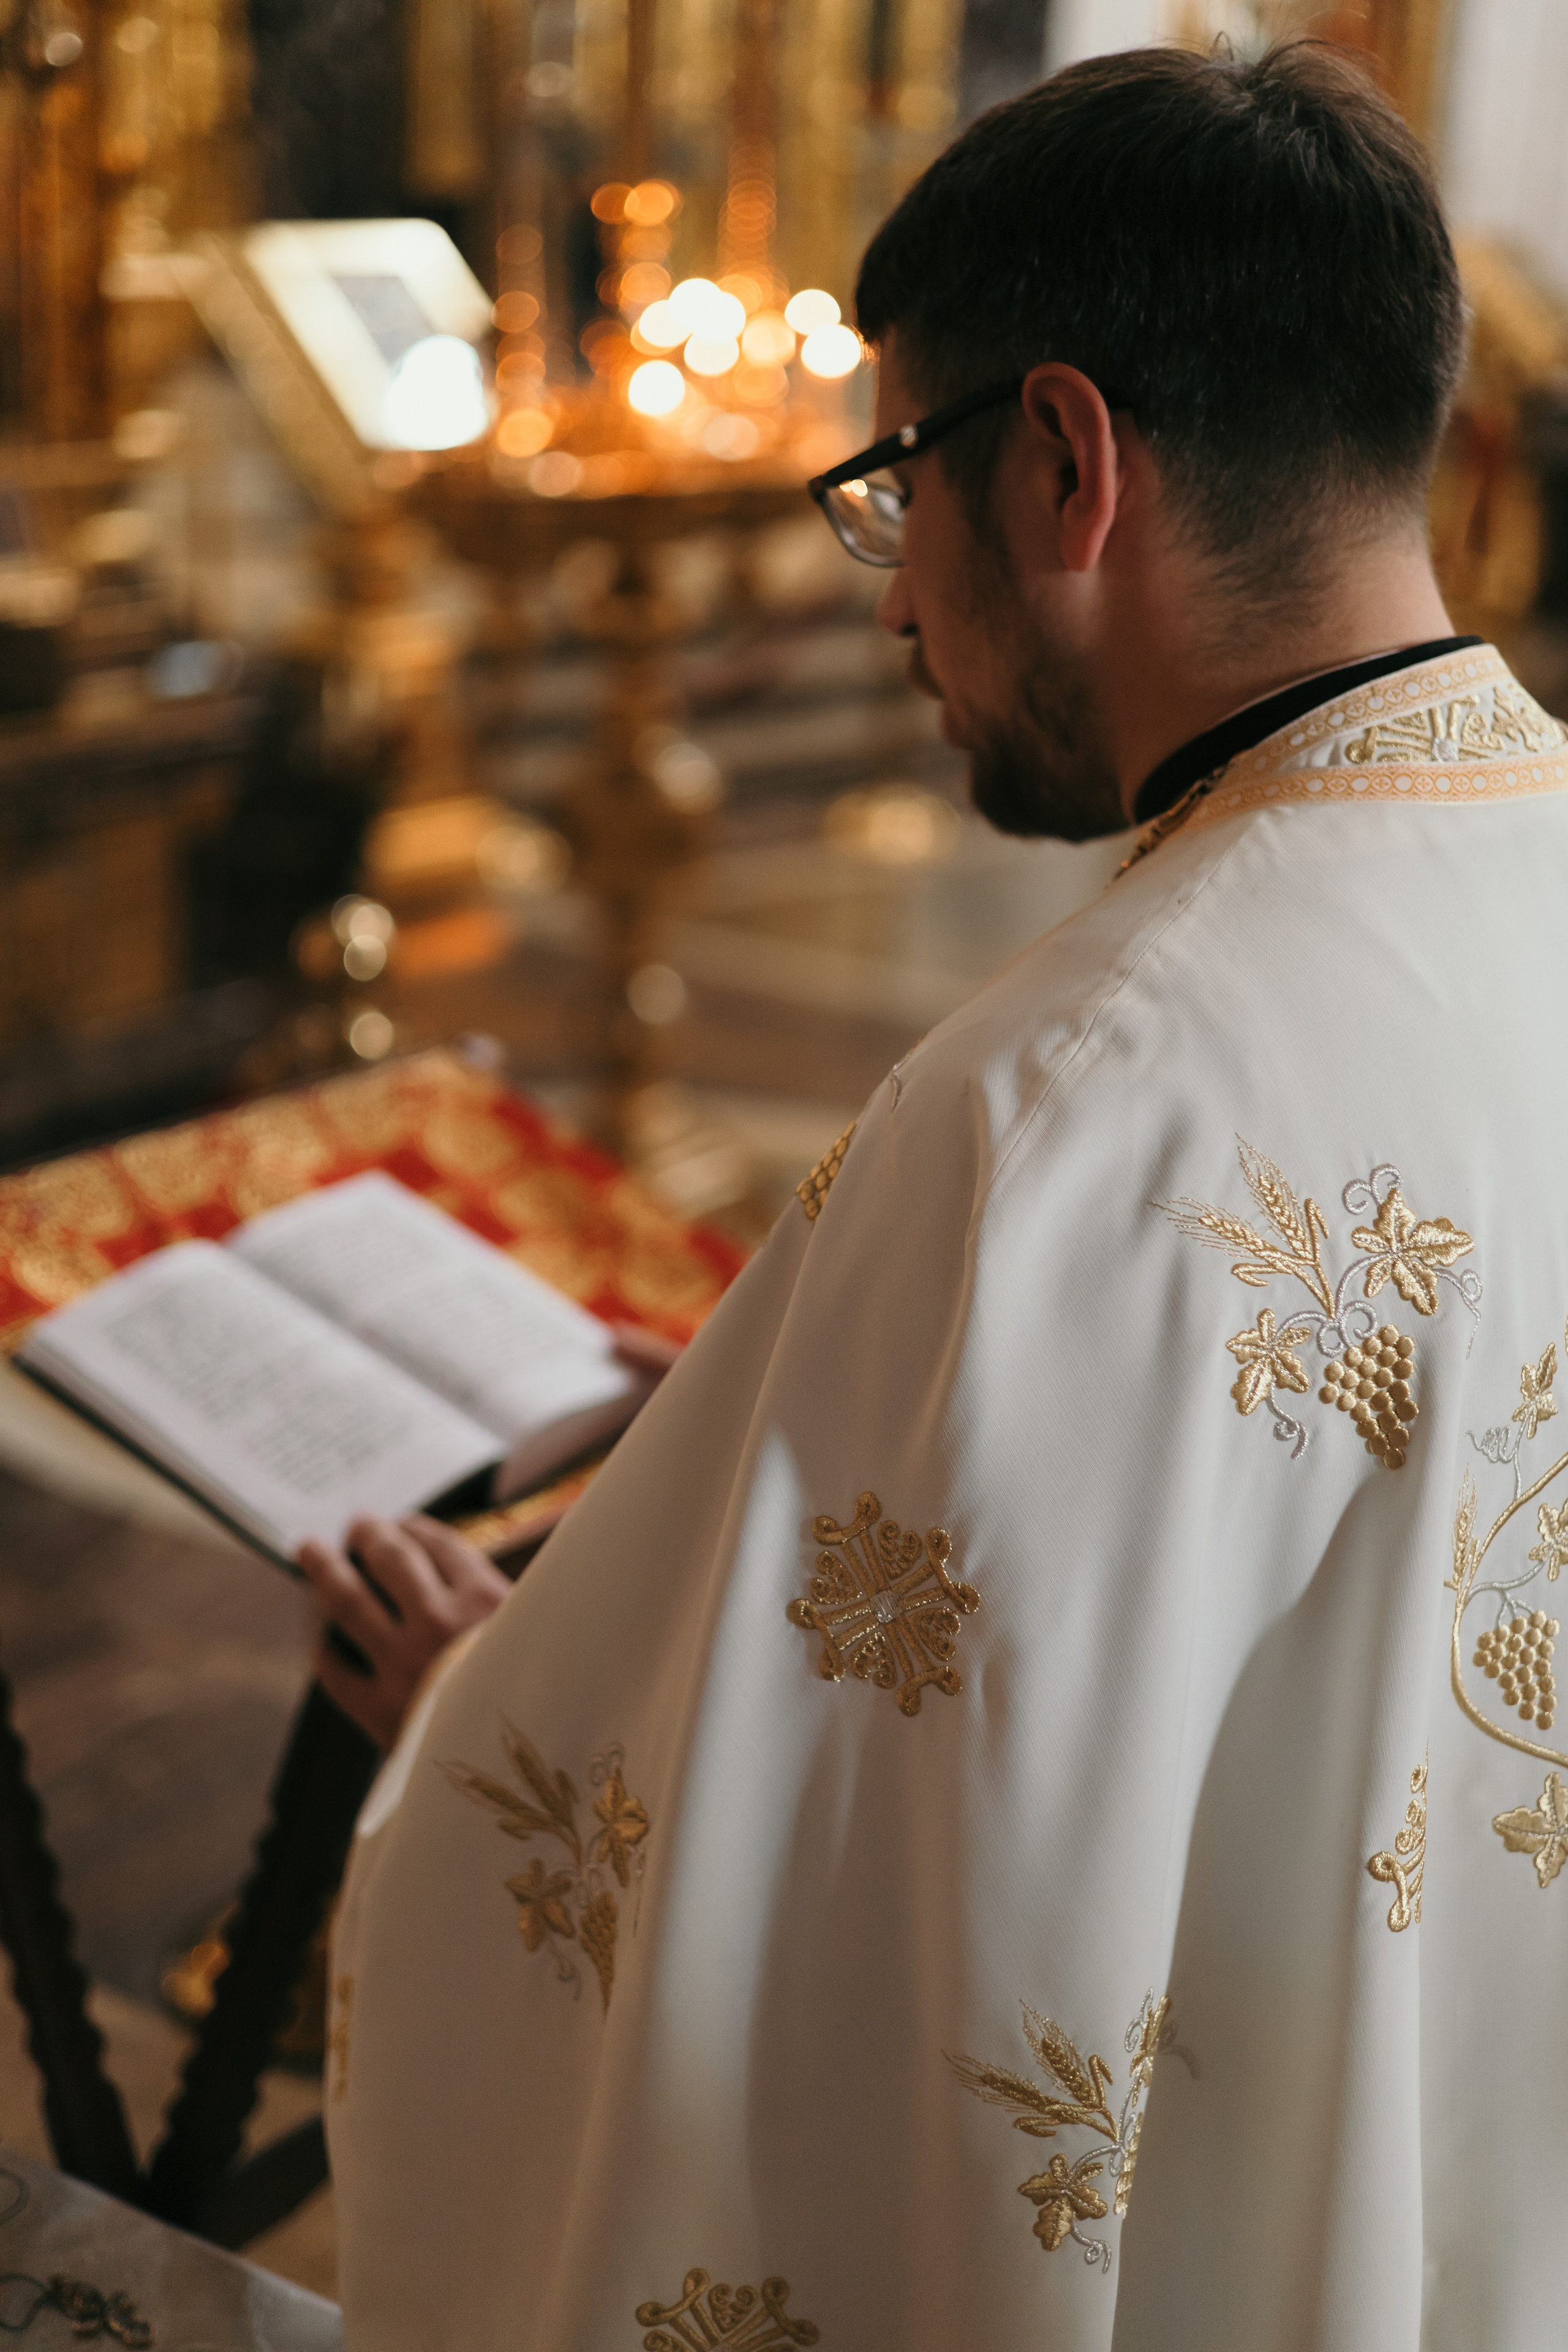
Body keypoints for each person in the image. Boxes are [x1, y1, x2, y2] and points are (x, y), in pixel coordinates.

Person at [298, 40, 1568, 2350]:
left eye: (896, 496)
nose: (891, 611)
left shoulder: (1078, 1108)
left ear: (1066, 463)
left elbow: (891, 1955)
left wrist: (496, 1730)